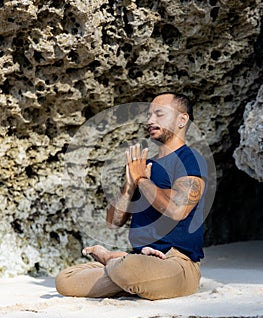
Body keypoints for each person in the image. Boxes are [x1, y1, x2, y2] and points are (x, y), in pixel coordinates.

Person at [56, 92, 207, 300]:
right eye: (149, 115)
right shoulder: (143, 167)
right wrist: (129, 185)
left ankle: (113, 260)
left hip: (176, 264)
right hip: (140, 259)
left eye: (159, 114)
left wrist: (142, 181)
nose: (150, 120)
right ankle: (124, 268)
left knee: (128, 269)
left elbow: (177, 209)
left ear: (182, 119)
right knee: (65, 279)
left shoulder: (190, 160)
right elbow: (114, 221)